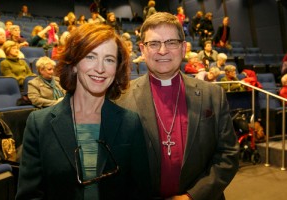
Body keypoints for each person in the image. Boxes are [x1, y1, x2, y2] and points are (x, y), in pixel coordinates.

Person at [16, 23, 151, 200]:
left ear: (116, 68)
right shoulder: (39, 123)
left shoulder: (130, 122)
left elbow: (140, 192)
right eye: (91, 57)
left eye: (109, 59)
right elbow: (30, 195)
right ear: (73, 64)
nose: (100, 68)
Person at [115, 12, 239, 200]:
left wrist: (192, 197)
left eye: (171, 42)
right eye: (154, 44)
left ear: (183, 48)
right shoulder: (121, 99)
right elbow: (119, 164)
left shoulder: (212, 95)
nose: (162, 51)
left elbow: (228, 155)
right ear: (142, 49)